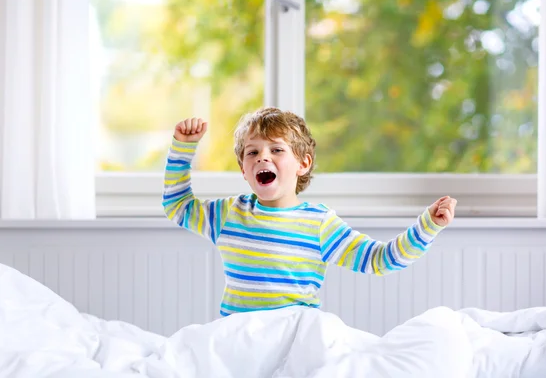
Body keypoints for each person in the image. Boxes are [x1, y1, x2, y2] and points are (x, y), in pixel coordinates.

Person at [163, 107, 457, 317]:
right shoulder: (229, 214)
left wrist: (427, 226)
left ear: (302, 164)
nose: (262, 156)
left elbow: (380, 260)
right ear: (243, 169)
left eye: (277, 150)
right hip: (239, 337)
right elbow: (177, 206)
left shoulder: (318, 223)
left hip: (296, 335)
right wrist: (183, 149)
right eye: (252, 152)